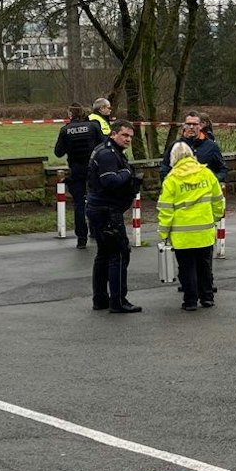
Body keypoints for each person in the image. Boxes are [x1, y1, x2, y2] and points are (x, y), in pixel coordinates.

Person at [156, 139, 225, 312]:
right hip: (205, 230)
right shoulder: (207, 174)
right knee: (204, 266)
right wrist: (214, 218)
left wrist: (163, 232)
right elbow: (218, 200)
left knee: (186, 268)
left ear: (173, 157)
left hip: (182, 234)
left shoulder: (171, 179)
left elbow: (166, 209)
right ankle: (207, 297)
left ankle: (190, 300)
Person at [86, 121, 142, 314]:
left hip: (100, 208)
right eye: (124, 135)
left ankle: (100, 298)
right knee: (118, 254)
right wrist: (127, 172)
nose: (128, 140)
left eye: (130, 137)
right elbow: (109, 180)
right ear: (113, 134)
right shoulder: (108, 154)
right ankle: (118, 301)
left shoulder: (108, 151)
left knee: (103, 254)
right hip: (106, 210)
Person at [53, 103, 102, 247]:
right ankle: (95, 231)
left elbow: (58, 152)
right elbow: (103, 144)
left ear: (70, 114)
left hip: (76, 169)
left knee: (79, 204)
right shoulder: (93, 127)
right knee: (96, 200)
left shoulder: (65, 130)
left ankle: (81, 238)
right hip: (93, 168)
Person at [159, 110, 228, 182]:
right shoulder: (175, 146)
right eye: (188, 124)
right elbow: (164, 168)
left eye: (194, 124)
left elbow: (222, 169)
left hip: (205, 191)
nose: (191, 127)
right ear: (184, 126)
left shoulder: (211, 146)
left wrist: (212, 181)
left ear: (200, 126)